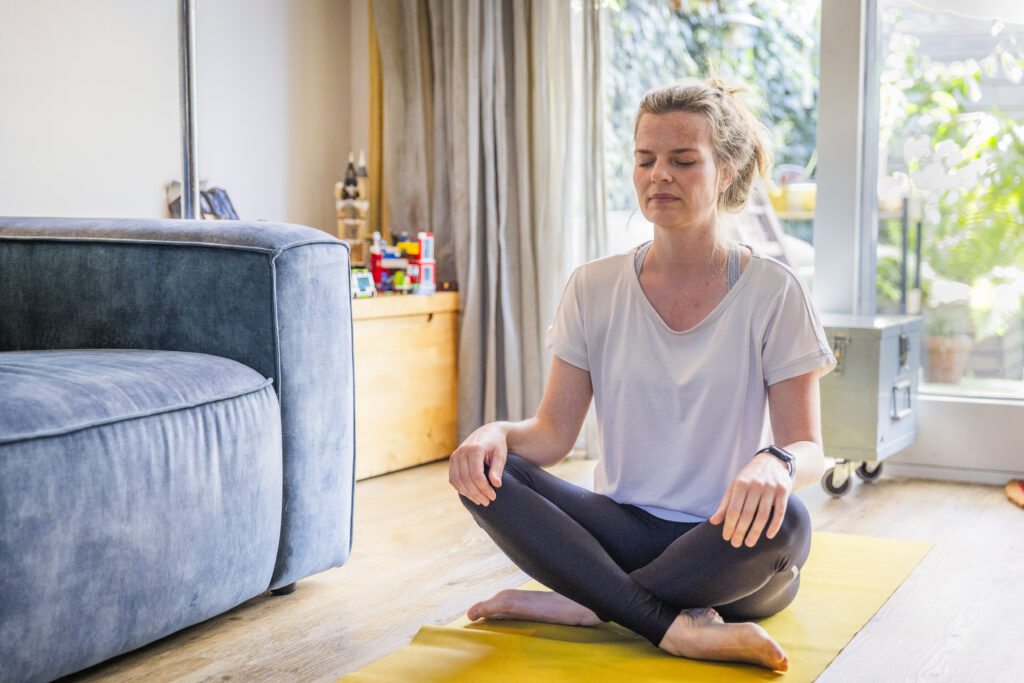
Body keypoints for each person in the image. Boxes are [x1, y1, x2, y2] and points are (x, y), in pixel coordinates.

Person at [448, 77, 836, 672]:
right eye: (646, 160)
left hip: (726, 546)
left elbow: (808, 448)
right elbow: (551, 436)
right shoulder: (592, 287)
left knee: (791, 523)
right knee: (492, 473)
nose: (660, 175)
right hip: (622, 531)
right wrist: (493, 434)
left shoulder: (773, 292)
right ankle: (669, 626)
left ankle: (589, 603)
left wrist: (776, 461)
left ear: (726, 172)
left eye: (683, 161)